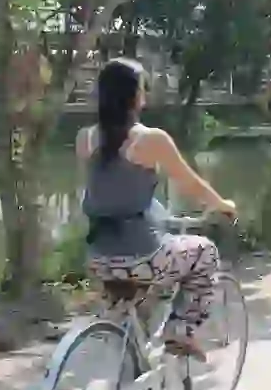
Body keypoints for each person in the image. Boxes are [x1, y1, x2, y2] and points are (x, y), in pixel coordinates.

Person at [76, 58, 235, 359]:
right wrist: (223, 205)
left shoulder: (84, 138)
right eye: (143, 88)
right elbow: (194, 185)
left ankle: (130, 363)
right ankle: (182, 330)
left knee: (131, 313)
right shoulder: (151, 139)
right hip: (142, 256)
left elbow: (108, 193)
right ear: (134, 96)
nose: (145, 95)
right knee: (205, 253)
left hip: (97, 258)